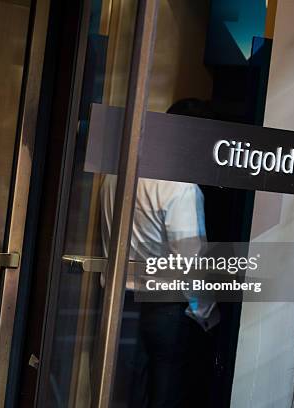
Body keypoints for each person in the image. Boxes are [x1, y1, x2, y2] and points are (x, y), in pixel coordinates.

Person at [100, 99, 219, 407]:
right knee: (164, 394)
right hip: (163, 307)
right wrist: (205, 314)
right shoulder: (181, 188)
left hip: (117, 300)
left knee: (121, 392)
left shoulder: (117, 173)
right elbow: (191, 261)